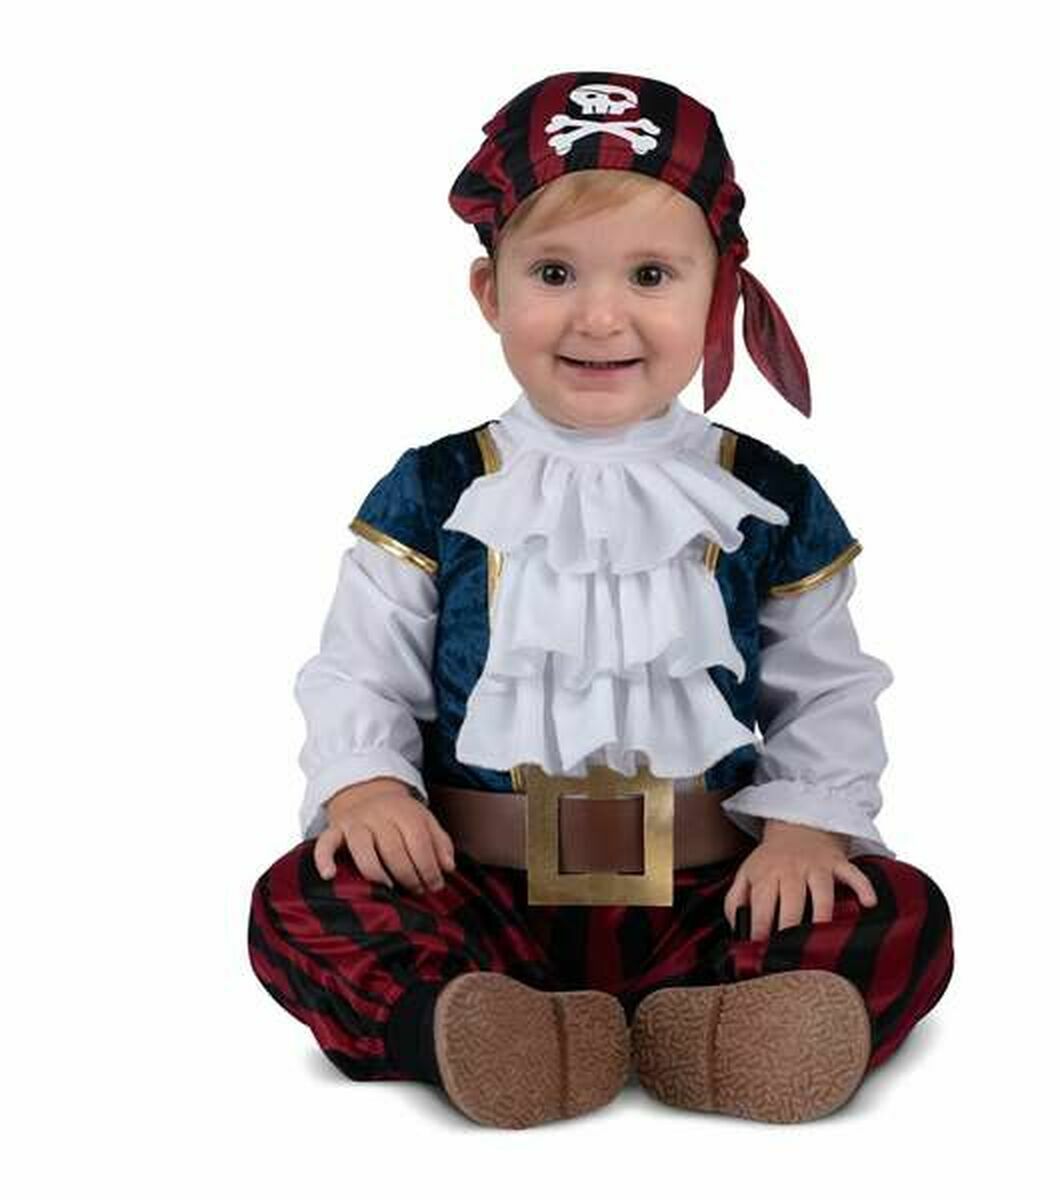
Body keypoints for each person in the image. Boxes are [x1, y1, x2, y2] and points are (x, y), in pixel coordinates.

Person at [247, 70, 954, 1129]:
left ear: (719, 293)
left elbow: (826, 690)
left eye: (652, 274)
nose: (600, 315)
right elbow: (361, 670)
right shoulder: (436, 489)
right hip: (480, 891)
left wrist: (806, 832)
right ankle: (472, 1022)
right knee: (299, 896)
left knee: (900, 911)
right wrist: (367, 790)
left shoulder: (766, 494)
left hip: (709, 891)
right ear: (491, 292)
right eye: (554, 272)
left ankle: (706, 1023)